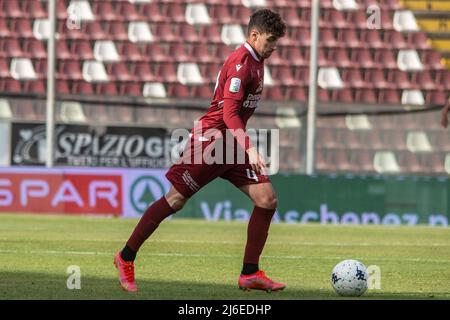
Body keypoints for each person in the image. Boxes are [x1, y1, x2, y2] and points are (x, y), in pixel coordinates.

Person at [114, 9, 287, 293]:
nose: (274, 47)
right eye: (270, 41)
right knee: (176, 200)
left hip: (230, 144)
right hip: (210, 142)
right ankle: (125, 257)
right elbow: (230, 114)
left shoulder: (258, 59)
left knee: (267, 199)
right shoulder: (241, 63)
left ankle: (250, 272)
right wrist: (250, 148)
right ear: (254, 35)